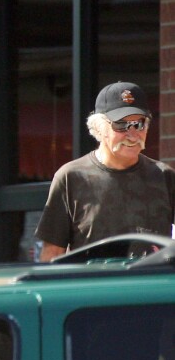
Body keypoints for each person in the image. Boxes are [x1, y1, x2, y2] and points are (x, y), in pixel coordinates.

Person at [36, 81, 175, 262]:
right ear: (99, 128)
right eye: (121, 125)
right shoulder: (72, 177)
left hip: (149, 287)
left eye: (139, 124)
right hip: (93, 288)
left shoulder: (164, 176)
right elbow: (52, 254)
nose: (132, 134)